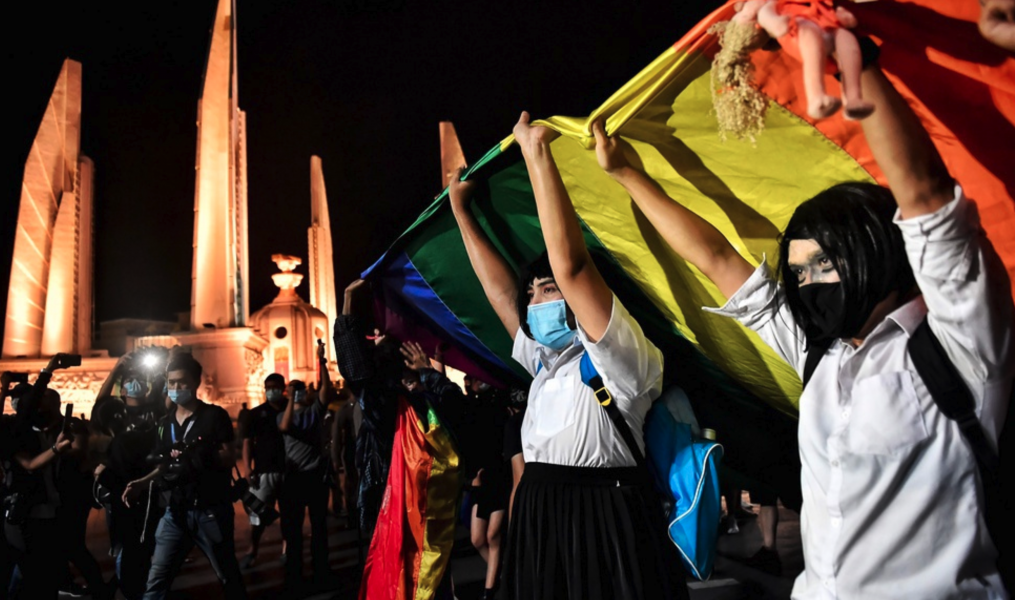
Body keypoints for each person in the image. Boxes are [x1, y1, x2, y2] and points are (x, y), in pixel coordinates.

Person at [593, 57, 1012, 596]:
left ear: (875, 252)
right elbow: (718, 259)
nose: (810, 283)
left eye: (825, 265)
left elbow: (929, 201)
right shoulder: (820, 355)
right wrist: (625, 173)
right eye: (799, 272)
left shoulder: (960, 348)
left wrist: (851, 60)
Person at [449, 114, 687, 599]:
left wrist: (537, 154)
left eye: (548, 288)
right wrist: (462, 215)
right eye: (532, 292)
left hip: (607, 522)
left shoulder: (619, 355)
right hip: (541, 524)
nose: (536, 299)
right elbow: (499, 294)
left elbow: (573, 266)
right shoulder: (543, 363)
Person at [123, 353, 246, 600]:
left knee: (227, 574)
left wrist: (200, 457)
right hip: (175, 511)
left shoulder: (214, 416)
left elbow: (229, 457)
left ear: (196, 382)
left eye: (181, 382)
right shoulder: (164, 422)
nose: (176, 388)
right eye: (171, 383)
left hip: (211, 510)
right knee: (156, 579)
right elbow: (165, 465)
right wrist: (141, 482)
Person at [2, 354, 78, 600]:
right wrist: (46, 371)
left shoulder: (21, 430)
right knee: (29, 570)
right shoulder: (13, 430)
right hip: (19, 512)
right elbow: (30, 464)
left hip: (38, 511)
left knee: (38, 571)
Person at [277, 378, 332, 589]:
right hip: (294, 478)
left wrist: (323, 362)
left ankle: (321, 568)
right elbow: (285, 426)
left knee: (319, 526)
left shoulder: (314, 411)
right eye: (293, 390)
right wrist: (291, 399)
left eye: (299, 390)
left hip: (315, 477)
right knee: (293, 529)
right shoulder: (282, 414)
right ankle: (295, 571)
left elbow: (326, 391)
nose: (297, 393)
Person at [239, 373, 287, 569]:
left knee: (289, 513)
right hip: (263, 472)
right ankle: (253, 549)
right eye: (268, 387)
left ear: (282, 388)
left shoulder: (291, 410)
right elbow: (247, 442)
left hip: (288, 471)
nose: (271, 390)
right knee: (257, 516)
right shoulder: (256, 413)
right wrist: (247, 468)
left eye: (275, 387)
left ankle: (287, 549)